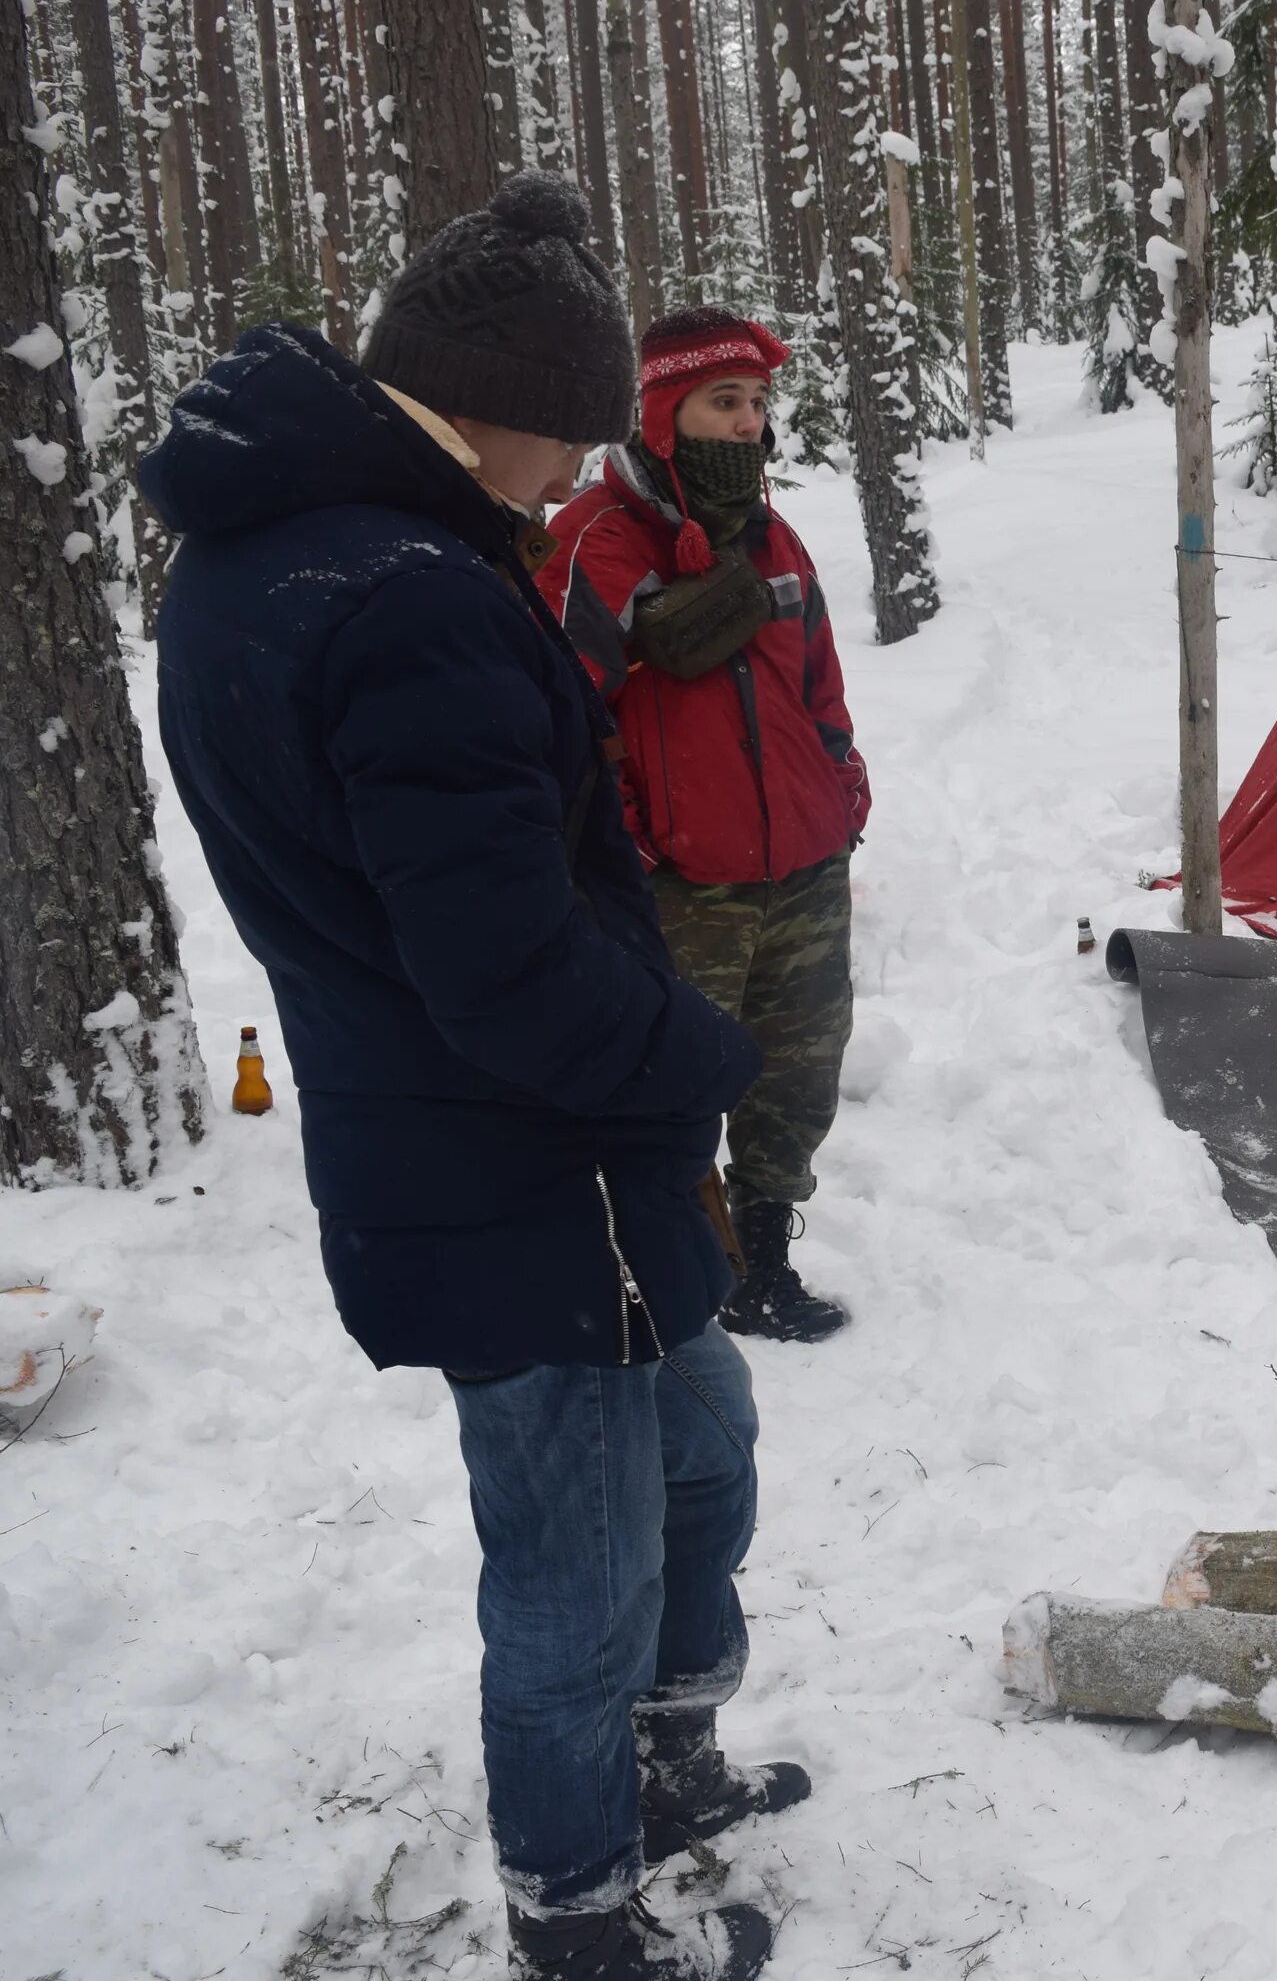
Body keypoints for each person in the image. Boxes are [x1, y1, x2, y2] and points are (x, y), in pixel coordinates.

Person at [142, 174, 794, 1978]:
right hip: (525, 1172)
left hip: (523, 1155)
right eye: (568, 434)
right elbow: (505, 975)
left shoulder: (287, 549)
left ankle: (669, 1773)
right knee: (574, 1575)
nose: (568, 472)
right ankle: (580, 1914)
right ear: (508, 405)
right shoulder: (412, 595)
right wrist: (703, 1055)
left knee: (702, 1457)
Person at [538, 307, 867, 1344]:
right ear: (663, 415)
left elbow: (819, 679)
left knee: (795, 1074)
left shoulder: (774, 536)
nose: (747, 422)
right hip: (680, 886)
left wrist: (843, 784)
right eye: (724, 401)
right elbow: (556, 723)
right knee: (670, 1087)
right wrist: (630, 845)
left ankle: (763, 1261)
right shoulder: (597, 539)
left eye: (759, 403)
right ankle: (674, 1275)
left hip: (805, 868)